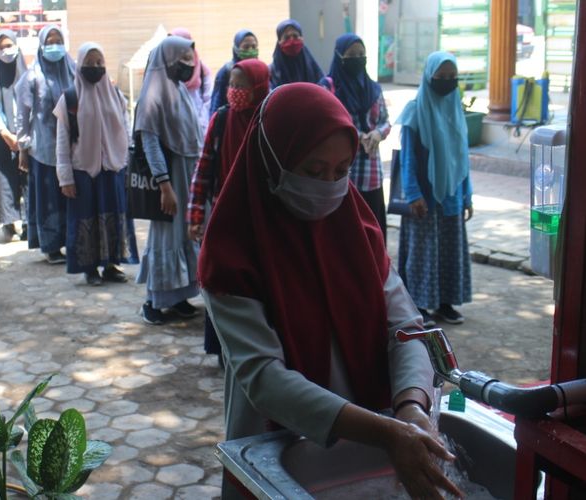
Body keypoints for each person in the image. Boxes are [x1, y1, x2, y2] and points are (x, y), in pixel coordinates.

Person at [198, 83, 462, 499]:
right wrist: (386, 432)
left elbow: (406, 328)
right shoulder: (233, 251)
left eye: (341, 171)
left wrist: (411, 407)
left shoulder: (357, 230)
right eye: (313, 171)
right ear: (273, 160)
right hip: (277, 446)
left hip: (369, 442)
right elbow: (264, 377)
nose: (329, 186)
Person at [187, 58, 269, 360]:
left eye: (241, 86)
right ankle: (223, 348)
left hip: (262, 221)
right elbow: (203, 168)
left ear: (258, 87)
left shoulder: (269, 121)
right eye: (231, 85)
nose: (234, 91)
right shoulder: (221, 120)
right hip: (224, 218)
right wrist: (195, 215)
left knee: (256, 286)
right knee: (223, 281)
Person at [396, 52, 473, 328]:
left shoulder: (455, 108)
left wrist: (467, 195)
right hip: (424, 198)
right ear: (429, 78)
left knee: (449, 250)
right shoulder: (415, 110)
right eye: (441, 77)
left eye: (452, 77)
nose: (447, 82)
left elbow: (462, 157)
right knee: (422, 252)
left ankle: (445, 303)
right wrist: (413, 194)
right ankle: (417, 303)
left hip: (452, 195)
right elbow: (408, 159)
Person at [134, 36, 203, 325]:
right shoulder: (154, 94)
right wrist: (165, 186)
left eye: (190, 59)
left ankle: (179, 297)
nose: (187, 65)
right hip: (171, 177)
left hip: (186, 175)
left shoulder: (178, 89)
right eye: (182, 59)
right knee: (166, 236)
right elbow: (149, 142)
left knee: (184, 235)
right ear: (167, 59)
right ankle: (153, 301)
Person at [53, 42, 131, 286]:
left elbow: (125, 130)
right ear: (79, 65)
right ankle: (90, 268)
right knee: (87, 219)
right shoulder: (70, 98)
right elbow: (62, 141)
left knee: (112, 216)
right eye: (90, 63)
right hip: (83, 171)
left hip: (112, 169)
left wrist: (124, 161)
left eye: (100, 63)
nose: (95, 68)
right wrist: (65, 178)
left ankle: (110, 264)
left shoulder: (116, 95)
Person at [321, 34, 390, 238]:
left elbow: (386, 120)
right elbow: (328, 121)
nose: (358, 58)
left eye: (362, 54)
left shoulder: (373, 88)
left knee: (372, 232)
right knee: (345, 234)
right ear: (339, 56)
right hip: (342, 172)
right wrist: (358, 137)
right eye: (351, 55)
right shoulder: (329, 87)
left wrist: (378, 133)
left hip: (371, 171)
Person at [16, 25, 74, 264]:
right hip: (44, 149)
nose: (54, 46)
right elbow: (23, 114)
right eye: (49, 41)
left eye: (58, 40)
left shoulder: (73, 70)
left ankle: (71, 241)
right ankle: (50, 246)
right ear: (41, 44)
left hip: (72, 147)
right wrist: (23, 148)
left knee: (70, 197)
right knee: (49, 199)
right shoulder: (32, 77)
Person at [0, 30, 28, 243]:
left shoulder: (26, 73)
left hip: (26, 134)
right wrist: (5, 132)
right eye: (1, 48)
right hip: (2, 135)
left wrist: (23, 132)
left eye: (10, 45)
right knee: (6, 179)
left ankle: (29, 222)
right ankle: (9, 222)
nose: (6, 51)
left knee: (27, 178)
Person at [169, 28, 212, 137]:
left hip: (199, 129)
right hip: (175, 130)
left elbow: (208, 100)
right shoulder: (168, 68)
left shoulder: (202, 69)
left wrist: (201, 125)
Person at [209, 29, 259, 113]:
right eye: (246, 47)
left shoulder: (260, 70)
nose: (250, 50)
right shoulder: (227, 70)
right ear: (236, 49)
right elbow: (217, 101)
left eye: (254, 47)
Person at [269, 19, 323, 88]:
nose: (292, 41)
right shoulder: (272, 72)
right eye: (286, 37)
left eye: (295, 36)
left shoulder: (312, 66)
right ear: (279, 41)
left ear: (301, 38)